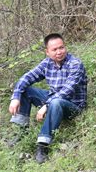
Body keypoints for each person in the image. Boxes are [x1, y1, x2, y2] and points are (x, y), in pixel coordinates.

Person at [8, 33, 87, 164]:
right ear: (47, 52)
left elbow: (67, 91)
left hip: (73, 106)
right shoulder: (47, 63)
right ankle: (21, 132)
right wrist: (15, 97)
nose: (59, 52)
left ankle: (42, 146)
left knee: (56, 102)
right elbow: (27, 78)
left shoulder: (75, 64)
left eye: (61, 48)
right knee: (25, 90)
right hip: (53, 100)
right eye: (54, 49)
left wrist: (46, 105)